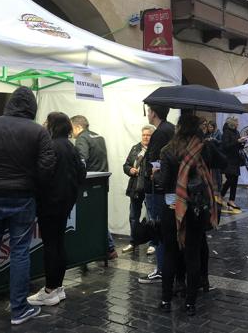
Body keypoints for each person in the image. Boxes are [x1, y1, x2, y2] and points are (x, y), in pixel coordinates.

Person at [0, 86, 56, 327]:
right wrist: (32, 183)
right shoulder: (38, 131)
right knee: (19, 253)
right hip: (22, 197)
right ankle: (18, 309)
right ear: (32, 107)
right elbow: (47, 166)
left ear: (10, 104)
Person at [155, 113, 225, 316]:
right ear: (198, 129)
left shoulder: (167, 150)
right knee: (192, 254)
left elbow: (163, 181)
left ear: (178, 127)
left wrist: (156, 174)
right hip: (196, 208)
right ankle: (190, 304)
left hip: (173, 208)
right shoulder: (204, 148)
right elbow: (222, 162)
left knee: (170, 253)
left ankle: (166, 300)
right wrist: (210, 144)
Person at [27, 112, 87, 307]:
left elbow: (43, 174)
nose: (44, 125)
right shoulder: (71, 146)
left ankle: (50, 289)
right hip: (65, 203)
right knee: (59, 244)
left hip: (50, 204)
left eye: (47, 122)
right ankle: (58, 287)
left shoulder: (51, 147)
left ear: (52, 126)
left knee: (51, 246)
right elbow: (82, 173)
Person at [70, 115, 116, 260]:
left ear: (78, 127)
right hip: (101, 182)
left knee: (90, 217)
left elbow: (81, 160)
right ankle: (105, 248)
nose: (71, 132)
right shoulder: (98, 136)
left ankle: (107, 247)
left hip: (88, 185)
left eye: (72, 128)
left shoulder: (82, 138)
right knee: (99, 216)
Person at [139, 104, 175, 284]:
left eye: (148, 111)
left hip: (157, 189)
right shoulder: (170, 129)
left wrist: (150, 173)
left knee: (159, 229)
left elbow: (155, 162)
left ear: (153, 113)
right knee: (166, 229)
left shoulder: (161, 132)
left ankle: (161, 269)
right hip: (167, 189)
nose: (147, 114)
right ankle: (168, 267)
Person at [121, 125, 155, 253]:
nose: (146, 137)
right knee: (133, 217)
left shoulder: (155, 149)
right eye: (144, 135)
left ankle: (153, 243)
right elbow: (126, 165)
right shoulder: (135, 148)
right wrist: (130, 170)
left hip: (149, 188)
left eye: (148, 135)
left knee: (151, 217)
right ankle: (133, 242)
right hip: (135, 188)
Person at [220, 117, 245, 212]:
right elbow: (225, 146)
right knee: (230, 179)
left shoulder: (237, 132)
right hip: (228, 159)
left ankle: (231, 200)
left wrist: (242, 143)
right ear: (232, 123)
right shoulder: (226, 132)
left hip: (236, 159)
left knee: (235, 180)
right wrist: (237, 141)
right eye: (237, 122)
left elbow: (238, 146)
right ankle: (221, 195)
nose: (238, 123)